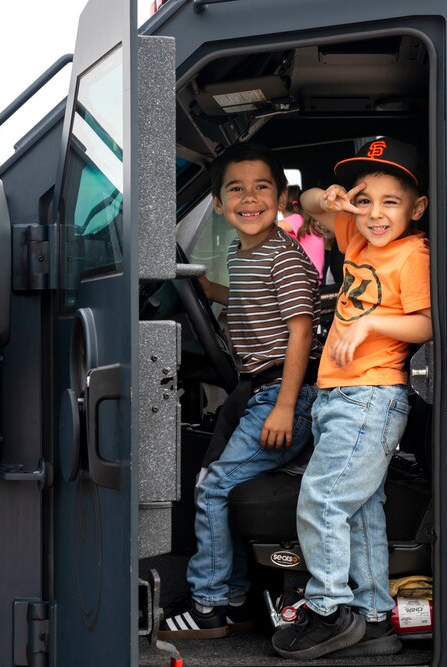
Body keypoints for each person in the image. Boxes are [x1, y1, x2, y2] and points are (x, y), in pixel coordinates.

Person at [271, 137, 432, 659]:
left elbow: (427, 323)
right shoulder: (358, 239)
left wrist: (370, 322)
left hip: (372, 397)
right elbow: (312, 202)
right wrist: (333, 198)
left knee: (322, 501)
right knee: (361, 511)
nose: (376, 214)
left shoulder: (413, 253)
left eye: (391, 202)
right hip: (339, 398)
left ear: (416, 208)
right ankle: (372, 618)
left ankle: (327, 609)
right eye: (366, 200)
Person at [160, 142, 322, 639]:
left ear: (283, 198)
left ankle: (210, 606)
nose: (249, 198)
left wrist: (286, 407)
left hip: (283, 395)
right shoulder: (240, 249)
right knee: (218, 483)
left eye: (261, 188)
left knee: (212, 488)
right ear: (217, 203)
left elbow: (300, 330)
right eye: (236, 189)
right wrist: (212, 293)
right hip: (260, 391)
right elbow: (256, 299)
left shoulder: (284, 256)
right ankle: (234, 595)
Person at [278, 185, 326, 283]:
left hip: (306, 280)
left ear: (281, 206)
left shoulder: (297, 219)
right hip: (312, 279)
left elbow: (265, 227)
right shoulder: (308, 221)